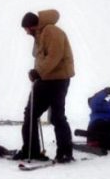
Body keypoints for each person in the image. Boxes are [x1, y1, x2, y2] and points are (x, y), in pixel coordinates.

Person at [13, 9, 75, 163]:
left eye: (26, 29)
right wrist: (35, 73)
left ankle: (65, 152)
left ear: (32, 26)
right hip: (44, 80)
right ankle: (31, 151)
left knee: (57, 116)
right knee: (31, 114)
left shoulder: (51, 31)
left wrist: (38, 72)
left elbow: (55, 55)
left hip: (58, 80)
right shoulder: (39, 35)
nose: (26, 33)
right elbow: (41, 58)